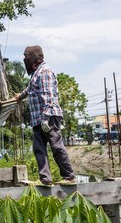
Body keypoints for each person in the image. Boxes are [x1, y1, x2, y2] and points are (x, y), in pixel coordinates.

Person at [15, 45, 76, 187]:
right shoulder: (36, 74)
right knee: (39, 149)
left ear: (34, 57)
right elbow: (29, 89)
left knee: (56, 146)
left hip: (48, 118)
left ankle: (69, 177)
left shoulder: (45, 71)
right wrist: (19, 96)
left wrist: (46, 118)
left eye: (26, 57)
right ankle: (45, 179)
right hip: (38, 119)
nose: (25, 60)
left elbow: (48, 96)